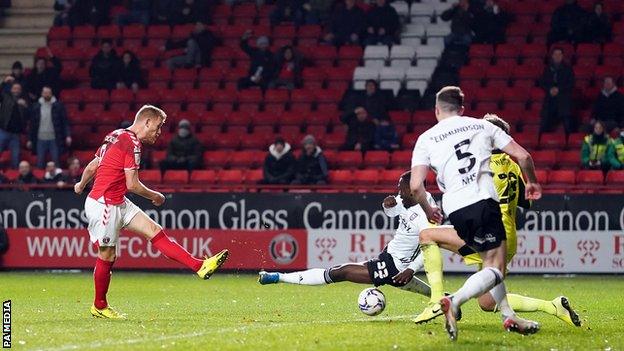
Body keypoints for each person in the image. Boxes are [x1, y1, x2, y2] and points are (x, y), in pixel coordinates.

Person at [412, 114, 580, 328]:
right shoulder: (512, 165)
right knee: (487, 301)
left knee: (427, 235)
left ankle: (438, 300)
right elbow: (525, 203)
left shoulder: (482, 163)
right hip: (508, 233)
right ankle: (552, 307)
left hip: (487, 225)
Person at [410, 86, 542, 340]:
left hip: (455, 210)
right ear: (462, 109)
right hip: (482, 201)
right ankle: (454, 300)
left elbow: (416, 186)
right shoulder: (482, 126)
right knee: (496, 268)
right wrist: (533, 182)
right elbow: (524, 157)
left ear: (437, 110)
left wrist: (430, 209)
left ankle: (508, 315)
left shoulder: (426, 138)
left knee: (488, 261)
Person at [73, 105, 229, 319]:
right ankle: (99, 306)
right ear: (146, 122)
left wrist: (81, 185)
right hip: (105, 204)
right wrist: (156, 196)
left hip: (116, 200)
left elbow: (93, 166)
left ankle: (200, 266)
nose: (159, 133)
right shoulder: (133, 143)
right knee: (108, 254)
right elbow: (133, 184)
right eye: (157, 127)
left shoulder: (115, 135)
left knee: (155, 230)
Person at [258, 172, 446, 306]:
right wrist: (387, 206)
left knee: (342, 272)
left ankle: (278, 277)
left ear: (414, 191)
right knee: (397, 281)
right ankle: (442, 297)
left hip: (397, 265)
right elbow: (391, 211)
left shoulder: (426, 214)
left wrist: (410, 269)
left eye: (401, 190)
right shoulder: (407, 198)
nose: (399, 193)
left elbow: (432, 246)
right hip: (389, 256)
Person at [28, 86, 71, 168]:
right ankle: (41, 180)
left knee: (56, 161)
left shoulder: (58, 106)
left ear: (51, 94)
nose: (46, 94)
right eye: (45, 93)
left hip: (54, 138)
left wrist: (68, 135)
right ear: (42, 94)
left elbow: (64, 122)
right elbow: (32, 125)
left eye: (48, 93)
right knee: (40, 161)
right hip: (40, 138)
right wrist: (30, 139)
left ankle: (57, 179)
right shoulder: (36, 106)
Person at [539, 48, 575, 134]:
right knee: (545, 122)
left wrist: (559, 89)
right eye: (555, 54)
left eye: (559, 54)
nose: (557, 56)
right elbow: (542, 82)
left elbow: (571, 83)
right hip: (550, 99)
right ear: (552, 56)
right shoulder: (547, 69)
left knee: (567, 122)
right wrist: (550, 89)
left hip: (563, 99)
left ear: (562, 56)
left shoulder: (568, 69)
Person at [0, 81, 28, 169]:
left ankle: (15, 178)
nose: (17, 90)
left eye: (18, 89)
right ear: (11, 89)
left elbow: (29, 116)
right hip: (3, 131)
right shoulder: (5, 97)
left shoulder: (25, 100)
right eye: (15, 88)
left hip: (16, 135)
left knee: (15, 158)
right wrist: (4, 83)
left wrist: (25, 106)